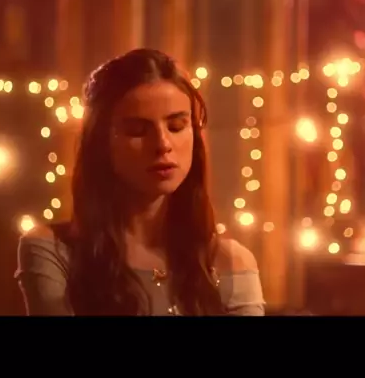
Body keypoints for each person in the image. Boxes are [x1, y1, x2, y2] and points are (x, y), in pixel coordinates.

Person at [16, 49, 264, 316]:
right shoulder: (54, 251)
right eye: (138, 130)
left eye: (177, 126)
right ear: (101, 143)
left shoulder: (230, 263)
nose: (163, 144)